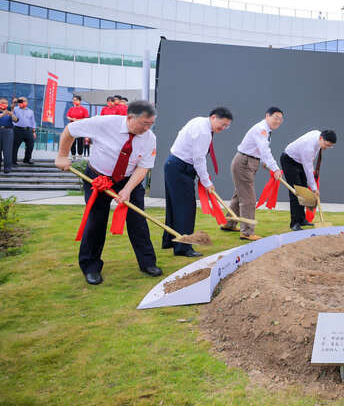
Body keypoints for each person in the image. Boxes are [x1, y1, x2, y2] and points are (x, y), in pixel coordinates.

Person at [54, 100, 161, 285]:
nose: (147, 128)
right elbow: (70, 130)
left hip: (129, 179)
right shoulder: (104, 123)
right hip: (98, 178)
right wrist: (62, 155)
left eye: (150, 124)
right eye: (144, 124)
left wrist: (127, 190)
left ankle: (147, 263)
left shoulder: (150, 138)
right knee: (96, 220)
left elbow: (143, 167)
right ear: (129, 118)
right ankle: (91, 267)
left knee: (138, 219)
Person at [163, 107, 233, 257]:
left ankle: (170, 240)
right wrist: (207, 182)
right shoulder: (203, 132)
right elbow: (199, 159)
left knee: (175, 206)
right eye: (222, 124)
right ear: (213, 117)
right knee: (185, 208)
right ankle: (183, 247)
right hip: (180, 167)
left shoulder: (200, 121)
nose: (223, 128)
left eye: (227, 126)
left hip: (174, 165)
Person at [221, 107, 284, 240]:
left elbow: (259, 151)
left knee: (239, 196)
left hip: (248, 162)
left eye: (281, 119)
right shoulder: (261, 129)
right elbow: (264, 150)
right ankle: (247, 232)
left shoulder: (266, 130)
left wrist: (266, 165)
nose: (278, 121)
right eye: (276, 118)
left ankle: (229, 223)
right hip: (244, 163)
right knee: (248, 199)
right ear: (267, 116)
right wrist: (275, 168)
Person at [281, 129, 337, 231]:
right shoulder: (309, 148)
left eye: (330, 146)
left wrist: (312, 186)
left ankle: (302, 219)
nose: (327, 148)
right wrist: (315, 188)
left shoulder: (318, 135)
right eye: (326, 145)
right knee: (296, 192)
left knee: (304, 191)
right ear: (321, 138)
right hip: (289, 160)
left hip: (300, 161)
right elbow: (309, 170)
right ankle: (294, 223)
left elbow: (308, 166)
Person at [12, 96, 36, 166]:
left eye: (22, 101)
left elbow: (33, 122)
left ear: (26, 103)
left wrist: (33, 132)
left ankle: (27, 159)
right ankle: (13, 161)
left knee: (30, 145)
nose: (21, 103)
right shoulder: (15, 109)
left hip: (28, 130)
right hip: (17, 130)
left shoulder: (30, 111)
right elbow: (11, 110)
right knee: (15, 146)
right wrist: (14, 103)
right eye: (19, 102)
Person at [0, 98, 18, 174]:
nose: (4, 104)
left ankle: (7, 168)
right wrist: (3, 114)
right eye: (2, 102)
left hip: (8, 131)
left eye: (6, 103)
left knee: (7, 150)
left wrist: (12, 114)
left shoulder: (10, 111)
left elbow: (16, 120)